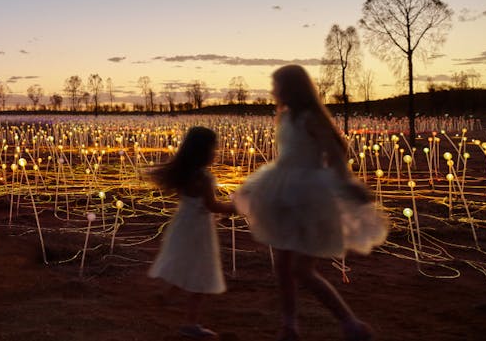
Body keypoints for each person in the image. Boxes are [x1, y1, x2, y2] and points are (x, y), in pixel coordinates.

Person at [233, 65, 388, 341]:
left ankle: (351, 324)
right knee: (282, 266)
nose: (272, 90)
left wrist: (346, 183)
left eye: (276, 84)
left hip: (309, 195)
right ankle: (289, 325)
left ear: (292, 87)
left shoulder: (310, 117)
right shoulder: (286, 117)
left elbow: (336, 151)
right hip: (284, 190)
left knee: (301, 269)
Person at [147, 126, 236, 339]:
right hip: (198, 230)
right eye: (214, 149)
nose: (216, 153)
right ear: (203, 151)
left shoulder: (184, 173)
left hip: (183, 225)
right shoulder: (204, 178)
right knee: (202, 274)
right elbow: (212, 205)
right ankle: (190, 323)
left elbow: (197, 204)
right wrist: (235, 207)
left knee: (188, 264)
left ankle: (167, 295)